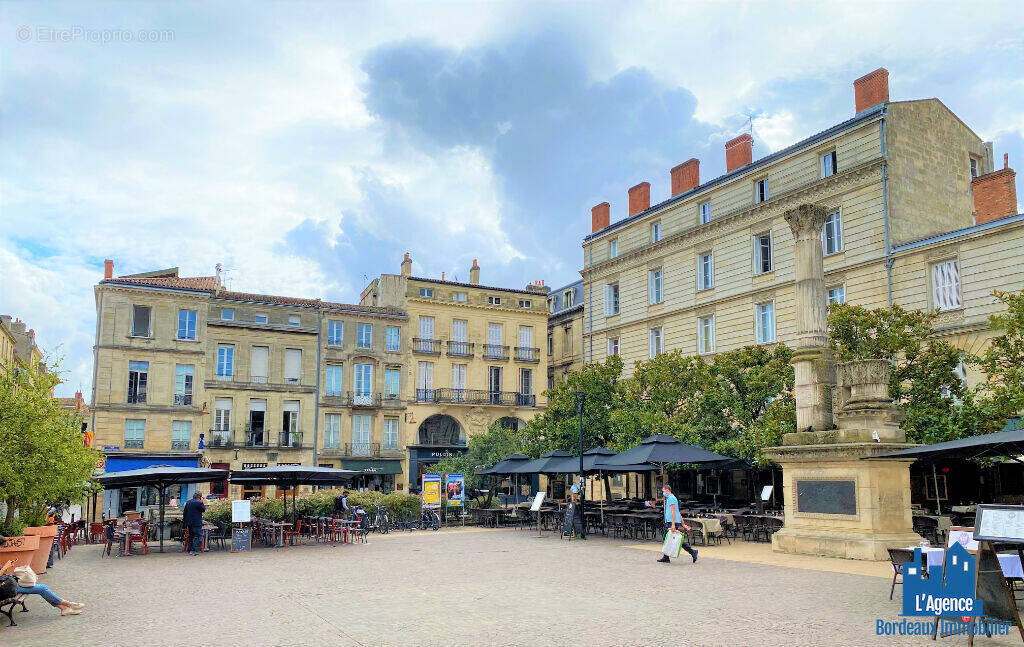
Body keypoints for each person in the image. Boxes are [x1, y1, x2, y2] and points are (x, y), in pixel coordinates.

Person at [0, 560, 84, 616]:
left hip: (7, 585)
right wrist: (5, 567)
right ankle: (69, 604)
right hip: (4, 590)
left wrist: (5, 568)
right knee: (42, 588)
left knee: (43, 588)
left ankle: (64, 608)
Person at [648, 484, 698, 564]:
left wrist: (673, 524)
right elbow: (678, 512)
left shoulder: (671, 498)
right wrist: (683, 524)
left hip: (671, 522)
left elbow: (673, 512)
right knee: (670, 538)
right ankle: (666, 557)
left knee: (672, 539)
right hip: (672, 521)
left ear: (667, 490)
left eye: (663, 491)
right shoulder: (672, 498)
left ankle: (692, 552)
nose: (663, 493)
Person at [182, 491, 206, 556]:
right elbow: (204, 509)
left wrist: (185, 521)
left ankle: (190, 550)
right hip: (197, 523)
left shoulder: (188, 502)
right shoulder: (199, 503)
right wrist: (202, 502)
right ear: (200, 497)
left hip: (189, 522)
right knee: (200, 537)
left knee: (191, 537)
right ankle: (193, 548)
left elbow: (185, 512)